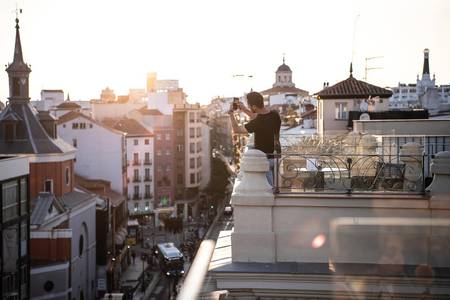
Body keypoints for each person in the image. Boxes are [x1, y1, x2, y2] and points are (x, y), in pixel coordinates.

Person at [228, 91, 281, 186]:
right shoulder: (274, 114)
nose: (248, 107)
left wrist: (231, 114)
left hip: (264, 159)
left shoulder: (257, 122)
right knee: (275, 183)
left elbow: (236, 130)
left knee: (269, 188)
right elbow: (258, 117)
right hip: (276, 155)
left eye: (249, 106)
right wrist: (244, 109)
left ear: (254, 107)